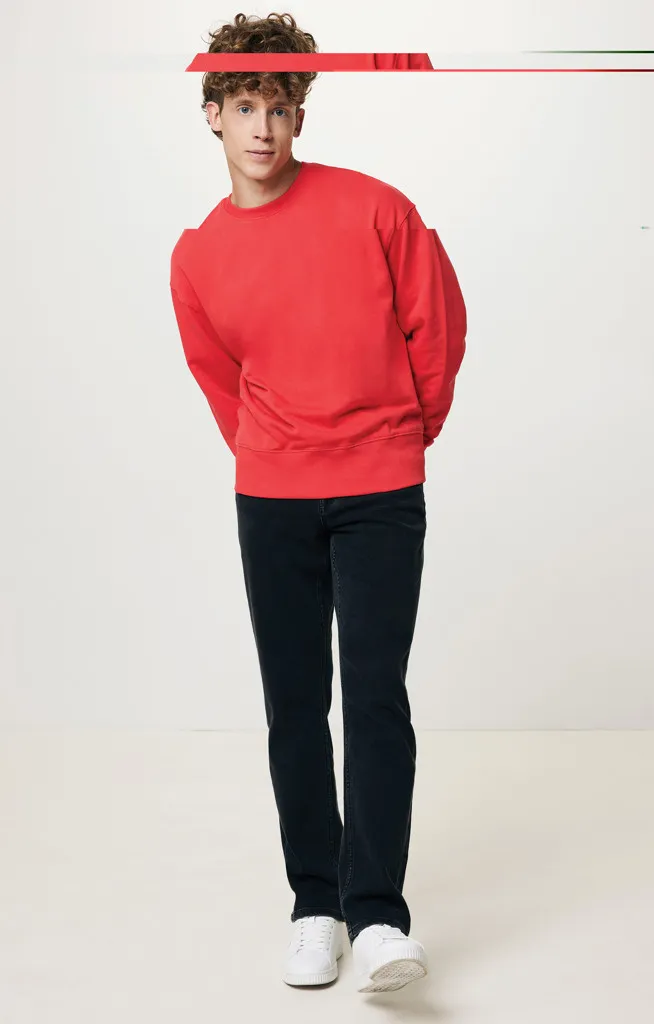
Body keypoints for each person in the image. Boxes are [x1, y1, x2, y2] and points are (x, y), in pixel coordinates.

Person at [169, 12, 467, 994]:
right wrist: (275, 453)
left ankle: (377, 916)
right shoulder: (197, 255)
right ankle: (315, 905)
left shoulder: (375, 208)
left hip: (380, 487)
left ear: (300, 114)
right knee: (294, 706)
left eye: (279, 107)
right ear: (212, 114)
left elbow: (436, 324)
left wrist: (400, 435)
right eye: (243, 106)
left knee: (375, 699)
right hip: (272, 498)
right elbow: (218, 378)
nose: (262, 127)